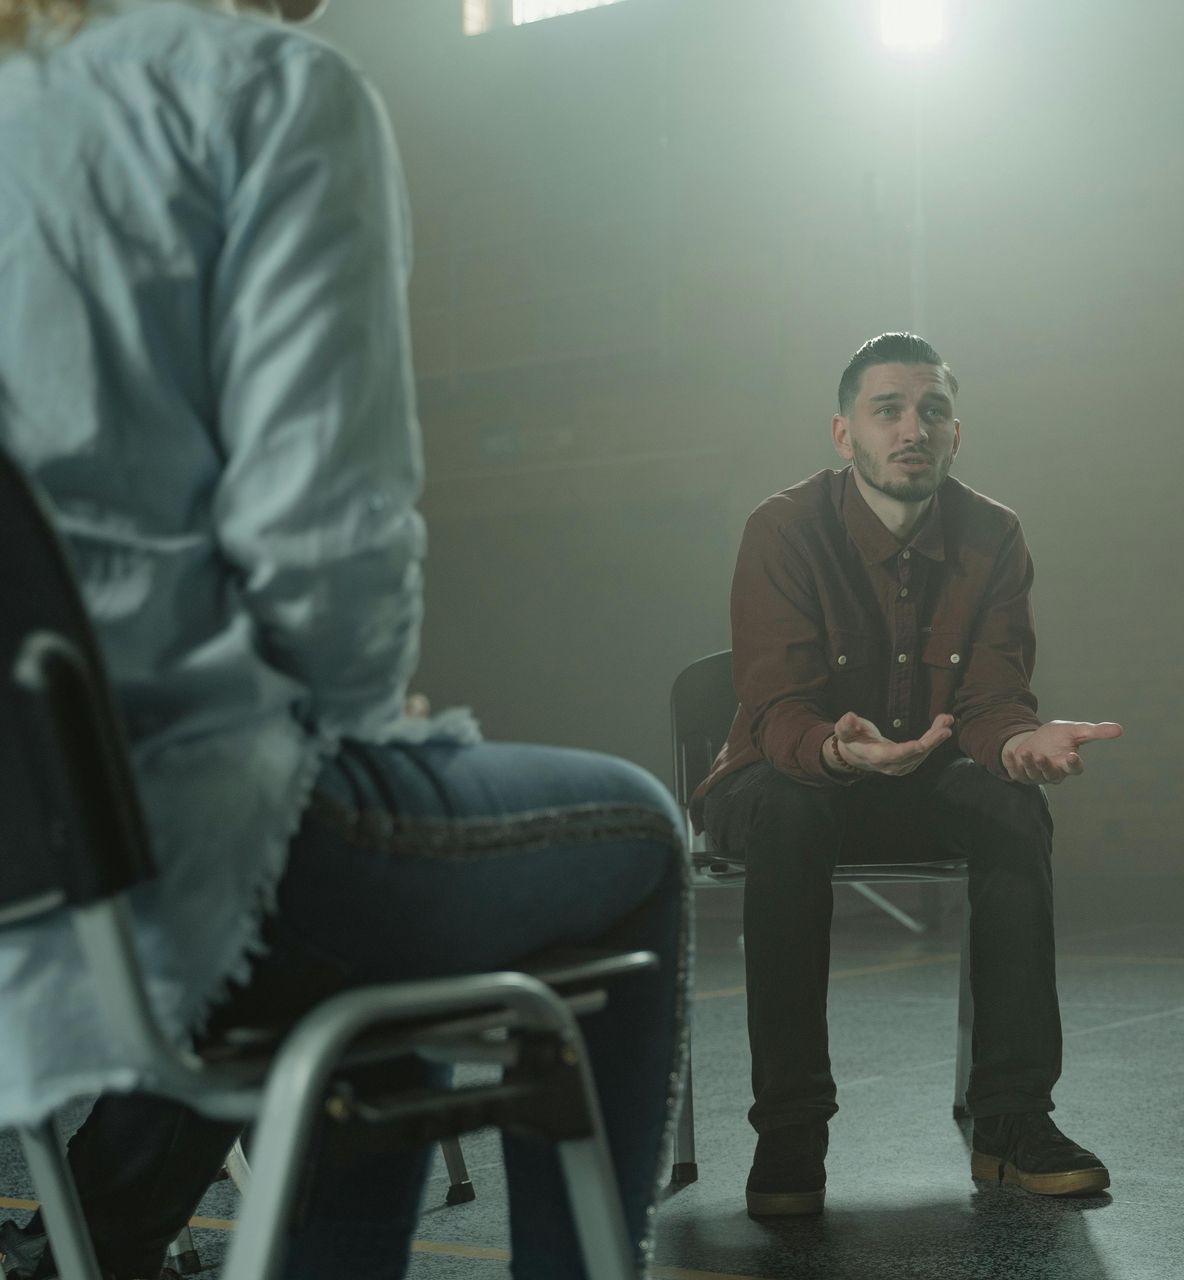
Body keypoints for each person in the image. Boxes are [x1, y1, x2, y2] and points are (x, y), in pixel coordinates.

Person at [0, 2, 686, 1277]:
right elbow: (324, 540)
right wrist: (364, 709)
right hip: (188, 839)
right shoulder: (269, 89)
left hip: (26, 868)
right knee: (643, 830)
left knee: (381, 1011)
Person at [692, 332, 1122, 1217]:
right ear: (844, 435)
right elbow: (775, 708)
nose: (911, 427)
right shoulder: (782, 528)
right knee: (790, 810)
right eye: (887, 410)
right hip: (790, 775)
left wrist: (1018, 745)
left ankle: (1010, 1124)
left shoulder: (994, 532)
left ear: (955, 435)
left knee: (1014, 808)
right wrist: (837, 751)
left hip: (925, 777)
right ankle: (790, 1130)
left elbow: (993, 696)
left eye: (932, 411)